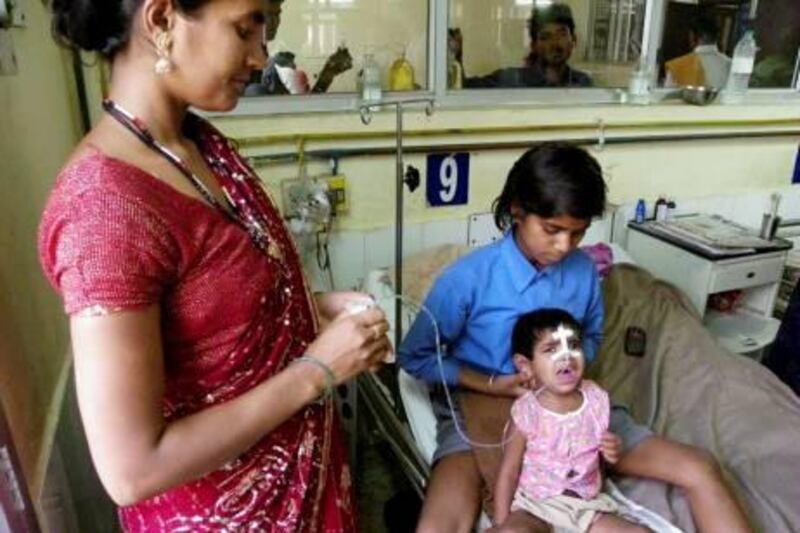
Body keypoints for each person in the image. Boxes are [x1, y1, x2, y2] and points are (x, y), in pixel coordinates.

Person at [39, 0, 391, 530]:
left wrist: (310, 309)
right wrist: (318, 371)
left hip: (306, 483)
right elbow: (131, 469)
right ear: (161, 21)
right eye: (245, 26)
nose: (259, 57)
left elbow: (213, 315)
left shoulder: (196, 145)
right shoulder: (105, 210)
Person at [398, 142, 751, 533]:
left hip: (569, 401)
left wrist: (560, 376)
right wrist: (493, 384)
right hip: (483, 403)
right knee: (438, 526)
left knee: (700, 468)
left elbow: (594, 335)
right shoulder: (467, 280)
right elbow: (415, 357)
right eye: (552, 230)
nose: (564, 246)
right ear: (517, 210)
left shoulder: (582, 272)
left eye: (577, 233)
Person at [491, 308, 644, 533]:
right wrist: (501, 522)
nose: (566, 356)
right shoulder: (527, 412)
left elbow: (598, 458)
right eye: (551, 349)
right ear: (526, 365)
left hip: (585, 507)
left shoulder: (596, 399)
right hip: (536, 506)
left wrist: (611, 450)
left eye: (573, 345)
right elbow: (509, 471)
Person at [465, 4, 592, 89]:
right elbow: (460, 87)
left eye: (562, 34)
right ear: (533, 46)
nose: (555, 43)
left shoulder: (582, 82)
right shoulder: (512, 80)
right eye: (546, 37)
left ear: (573, 40)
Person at [245, 0, 352, 95]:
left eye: (276, 15)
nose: (274, 22)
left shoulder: (267, 56)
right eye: (268, 15)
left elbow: (296, 108)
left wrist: (327, 75)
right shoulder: (250, 60)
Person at [664, 13, 731, 89]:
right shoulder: (730, 64)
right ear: (717, 37)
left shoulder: (678, 66)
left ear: (692, 36)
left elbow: (668, 97)